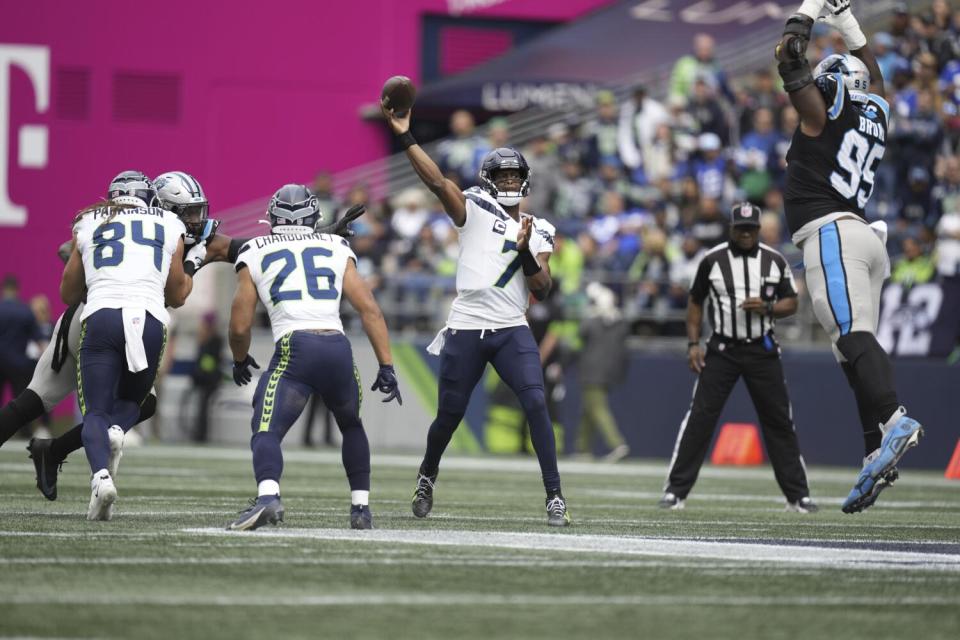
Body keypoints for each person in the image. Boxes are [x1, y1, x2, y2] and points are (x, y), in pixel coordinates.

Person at [5, 171, 361, 500]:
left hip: (115, 322)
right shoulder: (163, 230)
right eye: (188, 213)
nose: (196, 221)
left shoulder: (177, 234)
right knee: (87, 403)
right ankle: (53, 452)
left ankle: (52, 451)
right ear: (163, 208)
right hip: (94, 320)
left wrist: (321, 233)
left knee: (114, 403)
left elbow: (263, 248)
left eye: (196, 212)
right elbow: (72, 254)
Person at [381, 100, 570, 527]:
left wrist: (524, 253)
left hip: (510, 327)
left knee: (536, 403)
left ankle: (555, 495)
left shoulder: (538, 228)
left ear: (525, 181)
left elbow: (542, 288)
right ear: (488, 179)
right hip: (466, 325)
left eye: (514, 175)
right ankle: (427, 476)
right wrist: (405, 135)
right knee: (449, 413)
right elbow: (436, 181)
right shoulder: (474, 209)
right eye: (502, 174)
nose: (508, 180)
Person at [775, 0, 923, 513]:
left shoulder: (826, 109)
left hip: (831, 233)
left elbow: (789, 57)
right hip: (863, 237)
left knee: (851, 337)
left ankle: (892, 421)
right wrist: (848, 24)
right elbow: (877, 78)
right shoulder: (875, 107)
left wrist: (807, 12)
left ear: (832, 82)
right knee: (852, 354)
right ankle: (872, 453)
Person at [227, 184, 400, 531]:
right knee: (351, 424)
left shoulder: (253, 249)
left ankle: (268, 497)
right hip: (337, 346)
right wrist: (386, 364)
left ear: (272, 217)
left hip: (296, 347)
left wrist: (240, 357)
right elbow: (369, 310)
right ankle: (361, 509)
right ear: (315, 217)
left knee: (265, 428)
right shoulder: (336, 244)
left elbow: (241, 322)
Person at [660, 203, 816, 512]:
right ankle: (675, 492)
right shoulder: (712, 260)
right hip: (723, 348)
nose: (745, 234)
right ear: (731, 228)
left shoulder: (774, 261)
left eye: (750, 229)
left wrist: (768, 309)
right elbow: (695, 301)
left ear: (759, 230)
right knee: (700, 418)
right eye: (740, 228)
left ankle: (797, 495)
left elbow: (792, 302)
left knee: (779, 421)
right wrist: (693, 343)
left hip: (762, 347)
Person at [61, 173, 191, 520]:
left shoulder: (87, 221)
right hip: (149, 319)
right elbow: (177, 295)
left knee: (95, 412)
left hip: (102, 316)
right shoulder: (170, 223)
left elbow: (67, 292)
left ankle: (100, 478)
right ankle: (119, 432)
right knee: (136, 400)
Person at [575, 283, 630, 462]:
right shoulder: (619, 322)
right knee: (589, 408)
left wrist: (592, 314)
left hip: (592, 370)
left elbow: (581, 333)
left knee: (598, 408)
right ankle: (583, 449)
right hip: (609, 371)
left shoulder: (592, 321)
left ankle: (617, 444)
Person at [0, 275, 41, 429]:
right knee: (20, 401)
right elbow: (38, 340)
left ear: (4, 289)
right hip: (18, 364)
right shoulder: (25, 311)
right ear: (17, 290)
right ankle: (24, 431)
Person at [190, 311, 223, 442]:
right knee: (201, 407)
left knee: (204, 406)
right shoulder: (202, 338)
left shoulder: (216, 339)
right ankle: (199, 433)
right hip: (203, 378)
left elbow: (210, 361)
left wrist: (203, 371)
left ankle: (201, 435)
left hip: (211, 379)